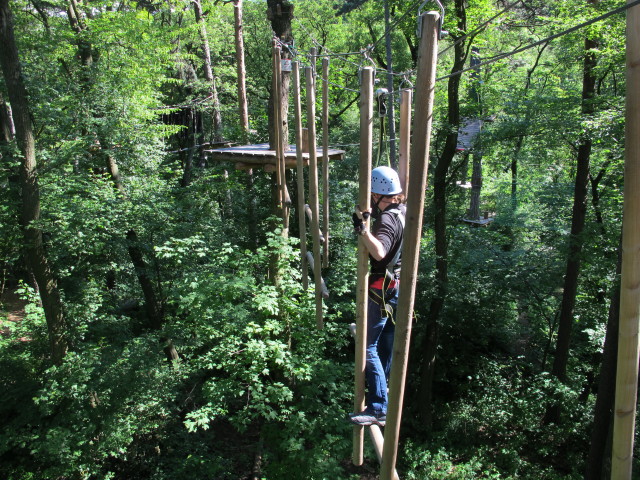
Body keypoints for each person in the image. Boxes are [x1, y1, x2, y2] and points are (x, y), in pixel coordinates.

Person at [350, 166, 405, 427]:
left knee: (367, 346)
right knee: (384, 347)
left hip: (382, 288)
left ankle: (378, 408)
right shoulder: (402, 212)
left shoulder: (387, 220)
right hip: (396, 288)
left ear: (377, 194)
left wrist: (363, 230)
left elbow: (380, 251)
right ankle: (382, 398)